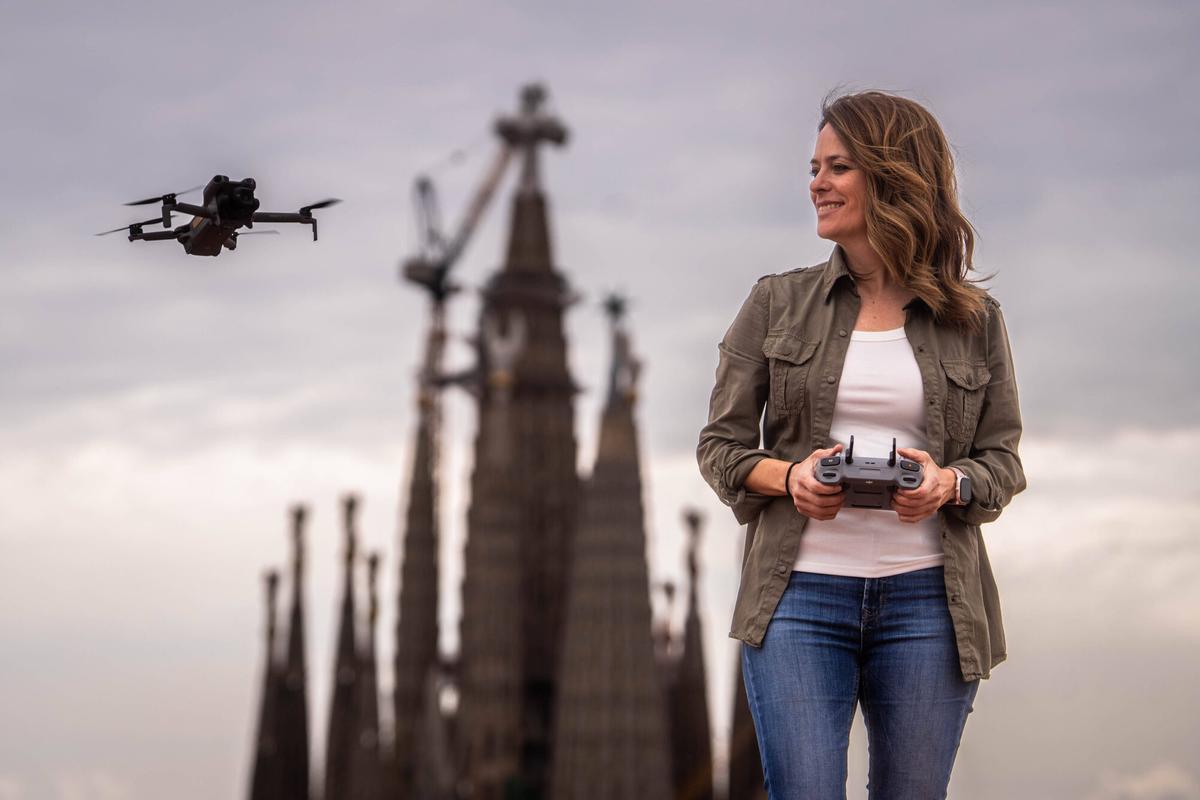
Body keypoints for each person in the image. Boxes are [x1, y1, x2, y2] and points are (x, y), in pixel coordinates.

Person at [697, 91, 1026, 800]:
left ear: (893, 175)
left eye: (838, 166)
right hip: (798, 600)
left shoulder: (974, 320)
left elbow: (1003, 461)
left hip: (929, 601)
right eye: (814, 166)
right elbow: (720, 447)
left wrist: (949, 484)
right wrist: (790, 478)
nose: (817, 182)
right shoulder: (773, 304)